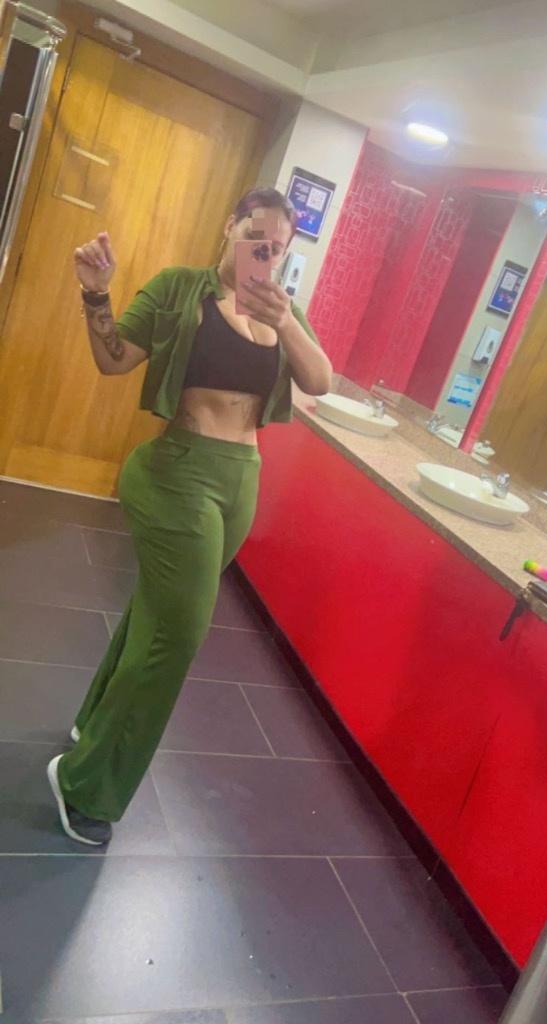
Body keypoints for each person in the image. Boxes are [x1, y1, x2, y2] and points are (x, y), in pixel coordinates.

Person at [47, 187, 332, 845]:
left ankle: (93, 723)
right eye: (254, 235)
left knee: (157, 612)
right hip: (177, 472)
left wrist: (287, 321)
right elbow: (112, 359)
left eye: (277, 246)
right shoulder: (181, 287)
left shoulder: (283, 310)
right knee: (178, 635)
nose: (264, 251)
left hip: (241, 481)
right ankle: (85, 786)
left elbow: (321, 381)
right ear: (230, 226)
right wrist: (95, 293)